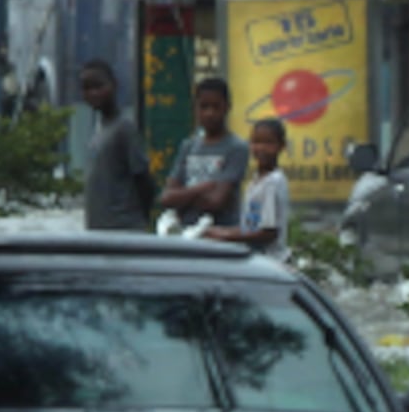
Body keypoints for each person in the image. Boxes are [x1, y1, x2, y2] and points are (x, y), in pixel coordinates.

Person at [155, 76, 250, 232]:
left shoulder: (236, 148)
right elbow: (166, 198)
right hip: (186, 232)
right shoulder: (188, 146)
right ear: (195, 109)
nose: (209, 113)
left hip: (220, 235)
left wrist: (182, 197)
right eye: (203, 107)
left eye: (215, 107)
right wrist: (202, 188)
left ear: (227, 107)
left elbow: (215, 202)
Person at [78, 59, 153, 231]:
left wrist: (141, 219)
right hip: (100, 229)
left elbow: (143, 179)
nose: (93, 93)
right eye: (87, 89)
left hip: (122, 229)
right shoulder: (99, 130)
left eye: (99, 87)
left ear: (114, 85)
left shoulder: (124, 129)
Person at [204, 118, 291, 261]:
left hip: (272, 261)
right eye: (256, 142)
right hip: (257, 259)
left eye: (268, 143)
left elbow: (268, 232)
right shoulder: (255, 181)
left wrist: (227, 236)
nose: (261, 148)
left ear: (281, 146)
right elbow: (250, 227)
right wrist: (219, 231)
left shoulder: (272, 182)